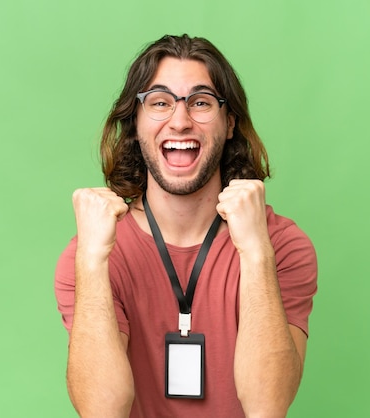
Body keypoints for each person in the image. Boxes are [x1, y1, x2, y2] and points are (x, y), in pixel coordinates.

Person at [54, 34, 318, 418]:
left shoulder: (281, 245)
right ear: (135, 124)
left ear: (230, 124)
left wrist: (256, 253)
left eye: (200, 103)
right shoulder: (91, 254)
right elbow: (101, 410)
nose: (180, 121)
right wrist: (92, 262)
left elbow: (268, 405)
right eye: (160, 103)